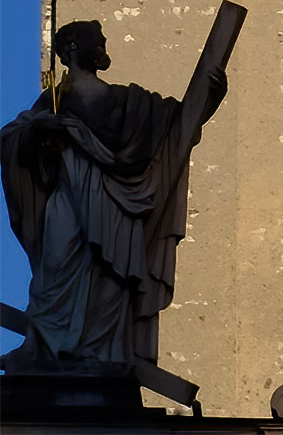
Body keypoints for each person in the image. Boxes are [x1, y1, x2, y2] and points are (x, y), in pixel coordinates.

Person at [0, 22, 223, 373]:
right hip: (69, 199)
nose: (104, 46)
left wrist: (211, 98)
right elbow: (14, 138)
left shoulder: (127, 100)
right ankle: (42, 344)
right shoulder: (55, 100)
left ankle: (102, 356)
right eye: (98, 41)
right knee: (54, 268)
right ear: (72, 48)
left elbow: (179, 126)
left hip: (116, 206)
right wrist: (44, 128)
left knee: (109, 278)